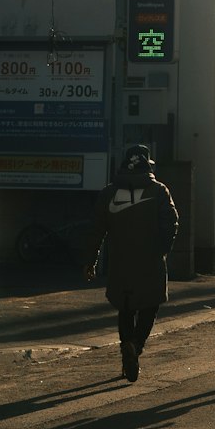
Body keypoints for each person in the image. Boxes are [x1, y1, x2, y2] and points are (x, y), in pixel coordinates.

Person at [84, 144, 179, 383]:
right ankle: (136, 345)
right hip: (150, 259)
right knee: (151, 304)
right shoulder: (158, 191)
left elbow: (96, 230)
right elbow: (172, 223)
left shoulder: (109, 193)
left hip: (120, 260)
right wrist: (162, 250)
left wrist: (90, 261)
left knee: (125, 308)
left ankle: (127, 348)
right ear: (148, 165)